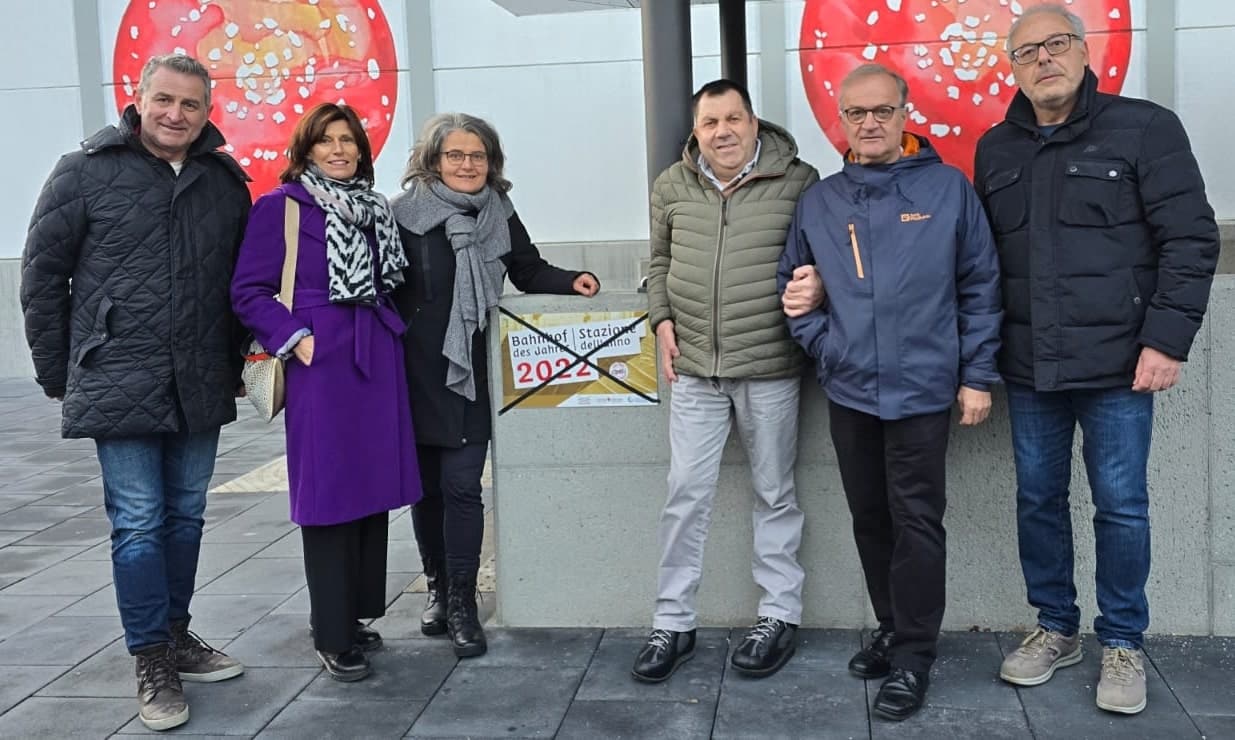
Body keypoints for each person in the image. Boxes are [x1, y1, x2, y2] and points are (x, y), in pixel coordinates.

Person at [974, 3, 1219, 715]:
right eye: (1026, 52)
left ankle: (1122, 640)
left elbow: (1190, 239)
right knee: (1037, 502)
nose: (1042, 59)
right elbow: (982, 261)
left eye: (1056, 44)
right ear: (1012, 69)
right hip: (1030, 367)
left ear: (1085, 53)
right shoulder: (995, 149)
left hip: (1119, 366)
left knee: (1120, 507)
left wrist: (1165, 340)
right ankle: (1055, 626)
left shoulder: (1144, 128)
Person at [20, 54, 249, 731]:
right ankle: (151, 658)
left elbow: (243, 282)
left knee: (186, 515)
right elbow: (42, 278)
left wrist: (240, 356)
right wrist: (59, 372)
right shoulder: (83, 171)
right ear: (139, 99)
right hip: (116, 371)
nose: (175, 114)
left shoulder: (224, 183)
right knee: (140, 520)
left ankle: (175, 635)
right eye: (164, 100)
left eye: (190, 104)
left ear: (207, 112)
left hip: (199, 376)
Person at [779, 63, 1002, 720]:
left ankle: (914, 655)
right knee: (869, 518)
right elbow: (791, 289)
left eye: (882, 110)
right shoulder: (821, 201)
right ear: (840, 120)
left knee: (916, 521)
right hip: (850, 389)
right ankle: (890, 625)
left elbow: (980, 286)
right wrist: (827, 347)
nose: (869, 123)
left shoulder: (947, 189)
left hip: (923, 390)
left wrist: (975, 375)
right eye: (856, 112)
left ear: (906, 114)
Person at [390, 113, 599, 658]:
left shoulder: (498, 211)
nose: (467, 164)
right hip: (415, 372)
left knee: (462, 487)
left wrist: (570, 281)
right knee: (427, 491)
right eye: (455, 155)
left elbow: (526, 270)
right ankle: (437, 589)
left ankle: (463, 601)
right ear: (433, 160)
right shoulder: (402, 214)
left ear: (491, 162)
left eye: (477, 155)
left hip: (472, 373)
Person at [632, 79, 819, 684]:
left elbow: (818, 260)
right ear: (697, 131)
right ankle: (673, 621)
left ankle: (779, 615)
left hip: (769, 366)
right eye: (710, 122)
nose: (723, 132)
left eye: (733, 118)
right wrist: (661, 319)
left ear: (754, 121)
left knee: (774, 492)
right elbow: (659, 262)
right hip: (694, 371)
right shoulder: (672, 185)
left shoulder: (799, 181)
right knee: (684, 494)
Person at [230, 102, 422, 682]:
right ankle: (331, 631)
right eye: (326, 140)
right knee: (329, 492)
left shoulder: (373, 208)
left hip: (375, 353)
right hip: (321, 360)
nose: (339, 150)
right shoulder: (281, 206)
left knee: (369, 490)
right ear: (306, 149)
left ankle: (353, 615)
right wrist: (296, 338)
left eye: (348, 140)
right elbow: (248, 290)